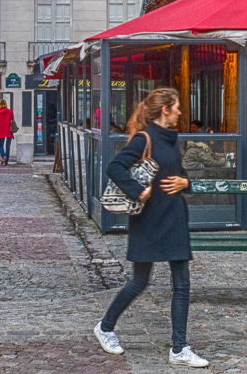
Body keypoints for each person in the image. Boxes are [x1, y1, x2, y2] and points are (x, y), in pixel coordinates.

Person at [93, 87, 208, 368]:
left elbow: (177, 174)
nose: (181, 111)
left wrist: (186, 182)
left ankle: (179, 349)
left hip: (175, 217)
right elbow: (115, 167)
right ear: (165, 110)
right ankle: (105, 327)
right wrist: (138, 191)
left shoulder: (172, 138)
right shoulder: (144, 138)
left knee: (182, 284)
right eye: (177, 107)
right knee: (139, 282)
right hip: (148, 220)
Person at [0, 98, 16, 166]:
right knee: (8, 146)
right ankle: (6, 161)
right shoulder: (10, 111)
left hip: (1, 130)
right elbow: (12, 119)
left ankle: (3, 156)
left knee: (0, 145)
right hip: (8, 130)